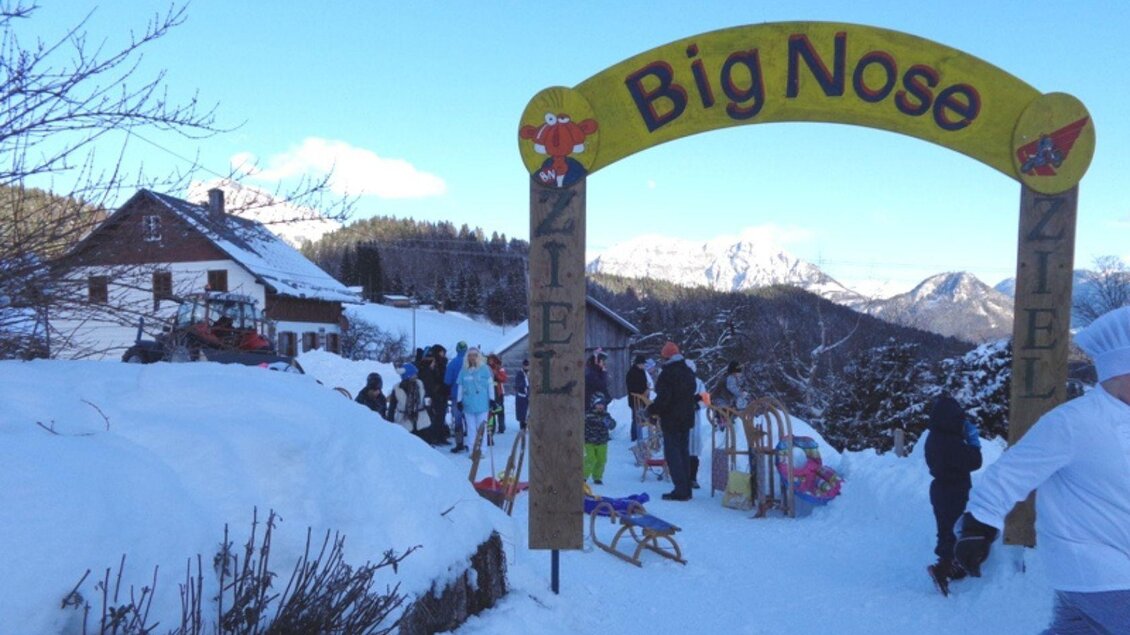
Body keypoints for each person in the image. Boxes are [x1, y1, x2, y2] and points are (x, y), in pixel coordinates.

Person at [954, 306, 1130, 633]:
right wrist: (978, 524)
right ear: (1120, 373)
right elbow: (1013, 471)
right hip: (1096, 570)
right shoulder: (1073, 421)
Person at [923, 394, 982, 595]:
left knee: (945, 528)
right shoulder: (950, 442)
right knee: (955, 529)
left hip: (939, 488)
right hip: (954, 489)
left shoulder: (934, 437)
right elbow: (974, 461)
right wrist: (974, 442)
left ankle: (948, 565)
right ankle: (945, 568)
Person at [647, 341, 698, 501]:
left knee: (673, 453)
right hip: (687, 418)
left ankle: (680, 489)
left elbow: (664, 398)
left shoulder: (667, 374)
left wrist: (652, 410)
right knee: (683, 452)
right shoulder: (688, 372)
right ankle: (687, 488)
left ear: (666, 357)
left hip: (672, 419)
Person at [457, 347, 494, 450]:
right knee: (471, 428)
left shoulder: (485, 369)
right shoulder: (464, 370)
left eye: (474, 355)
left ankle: (482, 449)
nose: (472, 358)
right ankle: (472, 449)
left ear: (478, 357)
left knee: (482, 427)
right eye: (470, 355)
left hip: (482, 403)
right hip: (468, 403)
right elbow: (460, 386)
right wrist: (459, 400)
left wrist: (492, 398)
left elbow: (490, 385)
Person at [388, 363, 430, 440]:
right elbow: (391, 408)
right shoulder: (397, 389)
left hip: (421, 422)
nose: (416, 376)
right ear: (408, 376)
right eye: (414, 374)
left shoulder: (420, 385)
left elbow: (426, 399)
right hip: (404, 423)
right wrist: (389, 425)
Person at [584, 393, 617, 485]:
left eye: (602, 405)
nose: (600, 407)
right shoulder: (588, 415)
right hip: (589, 441)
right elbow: (581, 424)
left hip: (602, 442)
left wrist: (609, 423)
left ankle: (597, 477)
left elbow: (613, 425)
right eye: (598, 404)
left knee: (601, 460)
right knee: (590, 459)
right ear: (594, 405)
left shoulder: (606, 416)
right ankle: (583, 476)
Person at [445, 341, 469, 453]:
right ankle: (473, 443)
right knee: (471, 419)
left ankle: (459, 443)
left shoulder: (452, 364)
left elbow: (447, 380)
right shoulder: (472, 362)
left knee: (458, 420)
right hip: (471, 396)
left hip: (456, 395)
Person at [626, 354, 649, 442]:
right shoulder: (631, 373)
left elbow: (644, 382)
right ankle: (635, 436)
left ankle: (639, 435)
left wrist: (646, 388)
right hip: (635, 399)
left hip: (642, 399)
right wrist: (642, 391)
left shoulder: (642, 372)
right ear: (638, 364)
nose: (643, 365)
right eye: (642, 364)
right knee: (636, 418)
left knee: (641, 416)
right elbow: (631, 387)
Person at [487, 353, 508, 434]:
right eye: (489, 360)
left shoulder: (499, 367)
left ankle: (501, 427)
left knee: (500, 410)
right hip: (490, 392)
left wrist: (496, 374)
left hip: (499, 392)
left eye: (491, 360)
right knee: (491, 411)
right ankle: (492, 428)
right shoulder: (486, 368)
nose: (490, 361)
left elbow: (504, 378)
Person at [514, 359, 530, 430]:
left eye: (527, 365)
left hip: (529, 396)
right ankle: (522, 428)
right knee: (522, 413)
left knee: (529, 412)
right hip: (522, 396)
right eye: (525, 365)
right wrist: (525, 384)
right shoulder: (519, 374)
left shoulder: (530, 373)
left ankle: (529, 426)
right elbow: (519, 384)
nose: (526, 367)